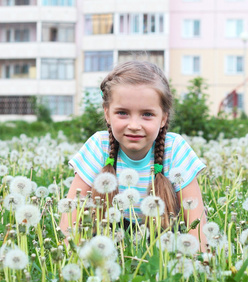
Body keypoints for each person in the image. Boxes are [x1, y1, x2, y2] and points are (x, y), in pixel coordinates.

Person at [59, 61, 207, 250]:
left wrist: (200, 263)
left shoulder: (175, 149)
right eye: (122, 113)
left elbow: (197, 225)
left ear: (163, 118)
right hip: (108, 242)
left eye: (147, 114)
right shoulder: (98, 147)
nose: (134, 125)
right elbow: (70, 219)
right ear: (107, 114)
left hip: (162, 247)